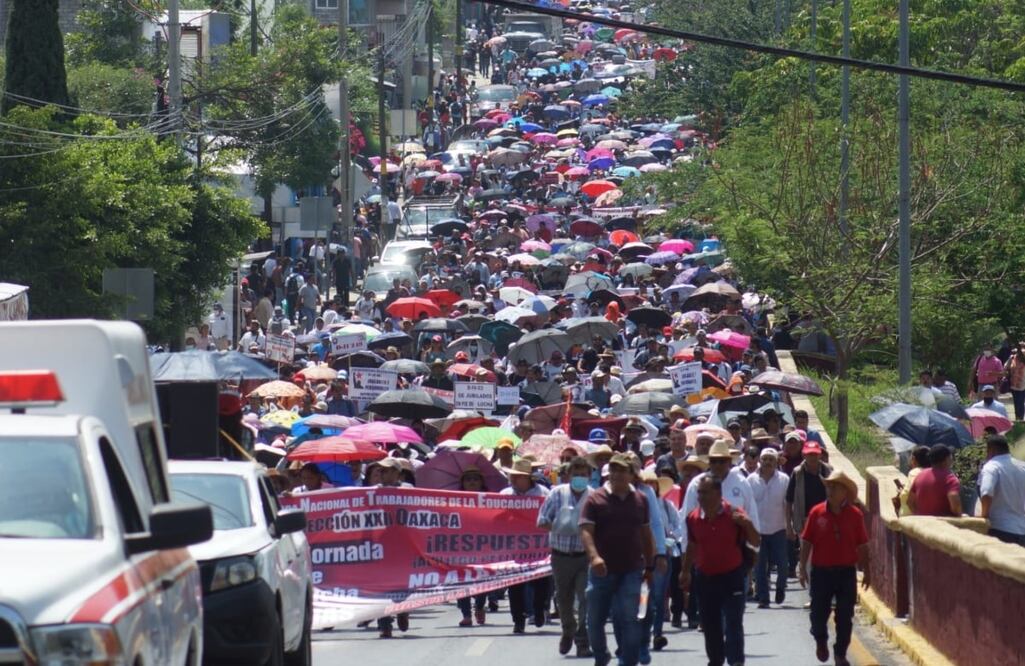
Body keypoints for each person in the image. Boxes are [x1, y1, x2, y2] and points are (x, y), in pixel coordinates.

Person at [579, 453, 654, 666]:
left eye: (622, 470)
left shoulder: (641, 500)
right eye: (613, 469)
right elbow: (586, 531)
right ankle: (601, 655)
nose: (617, 474)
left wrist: (650, 565)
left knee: (630, 618)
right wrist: (594, 557)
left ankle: (627, 661)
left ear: (631, 475)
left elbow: (646, 534)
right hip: (601, 571)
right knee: (595, 620)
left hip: (631, 569)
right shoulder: (595, 499)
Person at [680, 476, 760, 666]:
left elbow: (756, 541)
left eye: (705, 493)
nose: (700, 497)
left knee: (733, 622)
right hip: (705, 578)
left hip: (732, 576)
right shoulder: (693, 518)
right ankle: (715, 661)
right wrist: (685, 571)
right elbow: (692, 545)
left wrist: (747, 524)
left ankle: (736, 661)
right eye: (699, 493)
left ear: (718, 493)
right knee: (711, 625)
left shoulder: (735, 515)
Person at [798, 470, 869, 666]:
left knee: (845, 615)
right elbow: (806, 541)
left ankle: (840, 653)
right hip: (821, 572)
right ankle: (820, 639)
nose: (830, 490)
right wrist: (802, 567)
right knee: (818, 614)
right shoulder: (816, 512)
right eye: (829, 486)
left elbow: (862, 545)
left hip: (846, 572)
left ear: (845, 492)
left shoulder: (855, 515)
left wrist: (868, 571)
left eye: (835, 487)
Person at [536, 457, 594, 657]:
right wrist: (560, 526)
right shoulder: (557, 494)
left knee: (586, 598)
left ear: (589, 476)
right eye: (576, 474)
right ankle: (568, 629)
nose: (580, 478)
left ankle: (582, 640)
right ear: (568, 475)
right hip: (561, 556)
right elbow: (542, 520)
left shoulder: (594, 497)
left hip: (585, 556)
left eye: (583, 474)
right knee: (564, 598)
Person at [500, 460, 551, 634]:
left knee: (541, 583)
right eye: (512, 475)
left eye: (518, 476)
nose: (513, 479)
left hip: (539, 547)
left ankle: (539, 610)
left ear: (528, 478)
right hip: (514, 548)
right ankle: (518, 620)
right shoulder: (504, 495)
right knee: (515, 585)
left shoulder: (543, 493)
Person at [746, 447, 790, 607]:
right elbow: (748, 504)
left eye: (771, 459)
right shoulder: (751, 480)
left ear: (776, 462)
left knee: (783, 564)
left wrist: (790, 526)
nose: (767, 462)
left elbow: (788, 504)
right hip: (757, 530)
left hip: (779, 527)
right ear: (760, 460)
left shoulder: (784, 479)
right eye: (765, 459)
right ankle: (764, 598)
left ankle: (780, 587)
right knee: (759, 566)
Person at [786, 442, 832, 579]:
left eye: (815, 454)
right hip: (804, 521)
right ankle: (812, 589)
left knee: (826, 555)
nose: (812, 457)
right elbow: (789, 501)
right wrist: (789, 526)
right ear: (804, 455)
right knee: (808, 557)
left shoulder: (828, 471)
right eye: (809, 454)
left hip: (826, 520)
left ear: (820, 455)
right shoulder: (797, 473)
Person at [456, 467, 490, 627]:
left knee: (482, 578)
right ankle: (466, 614)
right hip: (459, 546)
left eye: (475, 479)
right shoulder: (453, 499)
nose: (472, 482)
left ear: (482, 482)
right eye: (468, 479)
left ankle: (480, 606)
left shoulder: (491, 499)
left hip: (483, 545)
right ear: (462, 483)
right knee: (460, 579)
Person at [979, 434, 1025, 545]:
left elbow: (986, 492)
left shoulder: (992, 466)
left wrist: (984, 516)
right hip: (1022, 530)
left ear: (991, 450)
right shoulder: (1022, 466)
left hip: (999, 528)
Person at [907, 445, 962, 517]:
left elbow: (910, 502)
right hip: (943, 522)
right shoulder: (950, 478)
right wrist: (958, 515)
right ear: (946, 459)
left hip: (922, 521)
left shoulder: (920, 475)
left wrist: (918, 515)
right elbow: (954, 499)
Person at [1005, 344, 1025, 421]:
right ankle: (1018, 419)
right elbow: (1005, 367)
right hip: (1013, 385)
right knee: (1016, 403)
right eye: (1020, 347)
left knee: (1020, 403)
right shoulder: (1012, 357)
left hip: (1022, 385)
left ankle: (1020, 419)